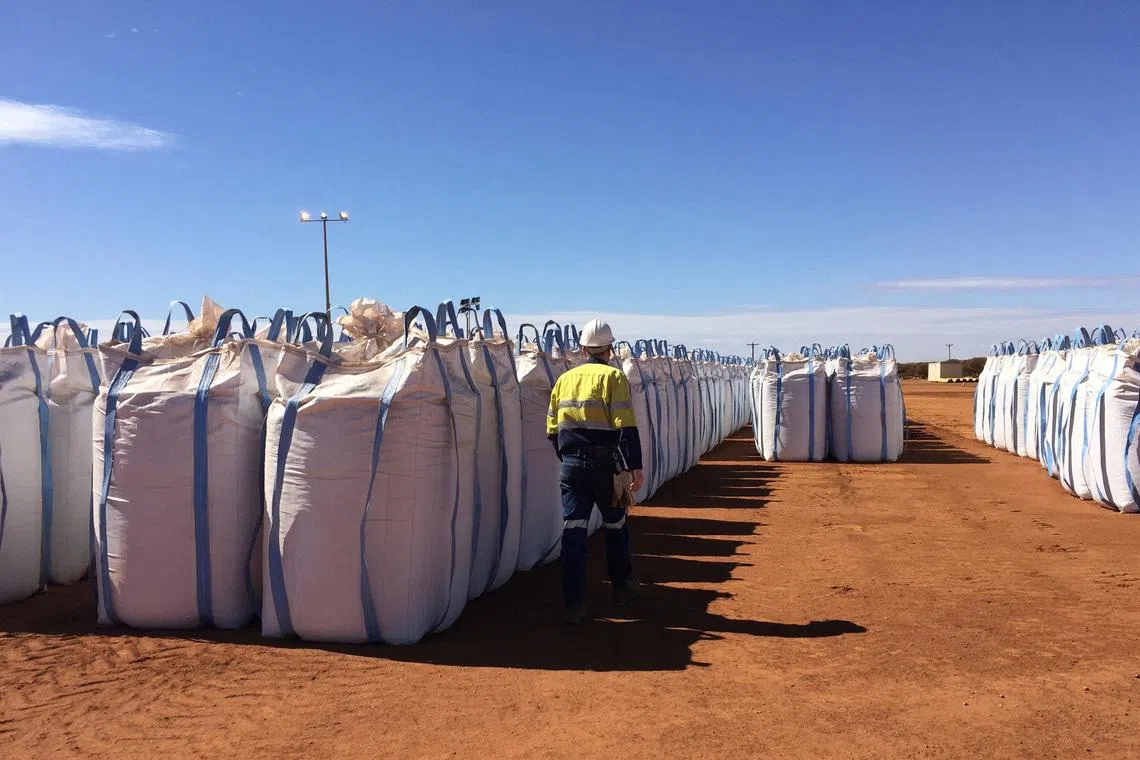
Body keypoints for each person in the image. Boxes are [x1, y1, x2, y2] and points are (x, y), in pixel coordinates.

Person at [546, 318, 645, 625]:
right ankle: (620, 588)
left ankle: (573, 604)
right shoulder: (614, 377)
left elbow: (552, 428)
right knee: (616, 526)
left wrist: (569, 458)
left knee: (573, 532)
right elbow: (625, 425)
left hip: (572, 466)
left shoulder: (565, 379)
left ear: (582, 347)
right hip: (607, 467)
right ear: (610, 348)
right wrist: (634, 466)